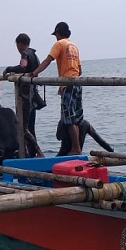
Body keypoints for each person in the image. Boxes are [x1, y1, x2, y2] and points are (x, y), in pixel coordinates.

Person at [32, 22, 83, 155]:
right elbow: (79, 70)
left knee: (68, 118)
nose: (55, 37)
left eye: (56, 35)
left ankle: (76, 149)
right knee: (76, 118)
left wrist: (34, 73)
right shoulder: (74, 46)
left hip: (68, 83)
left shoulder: (59, 44)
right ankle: (77, 148)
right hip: (77, 83)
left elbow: (48, 60)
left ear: (59, 33)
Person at [2, 33, 45, 138]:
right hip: (33, 93)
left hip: (26, 95)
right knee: (31, 127)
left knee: (23, 127)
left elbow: (22, 67)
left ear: (20, 44)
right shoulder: (34, 55)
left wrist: (8, 69)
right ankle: (33, 147)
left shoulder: (25, 54)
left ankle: (29, 147)